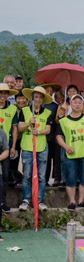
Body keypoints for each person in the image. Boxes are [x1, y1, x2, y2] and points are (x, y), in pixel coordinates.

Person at [55, 94, 84, 210]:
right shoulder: (63, 121)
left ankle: (81, 201)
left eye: (79, 102)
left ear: (83, 105)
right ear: (70, 104)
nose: (77, 104)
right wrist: (65, 146)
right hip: (70, 154)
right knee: (70, 179)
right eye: (75, 102)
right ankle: (72, 201)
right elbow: (58, 137)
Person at [18, 86, 55, 211]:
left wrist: (38, 132)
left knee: (41, 176)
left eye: (40, 97)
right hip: (27, 147)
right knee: (27, 175)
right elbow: (20, 128)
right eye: (35, 97)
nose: (37, 99)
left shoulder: (48, 113)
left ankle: (40, 200)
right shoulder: (24, 111)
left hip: (42, 147)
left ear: (43, 99)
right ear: (32, 98)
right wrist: (29, 123)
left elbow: (48, 130)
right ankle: (26, 199)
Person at [0, 83, 18, 212]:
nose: (2, 95)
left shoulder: (12, 109)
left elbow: (15, 128)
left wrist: (13, 146)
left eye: (5, 93)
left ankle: (2, 202)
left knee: (5, 175)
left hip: (5, 145)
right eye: (0, 93)